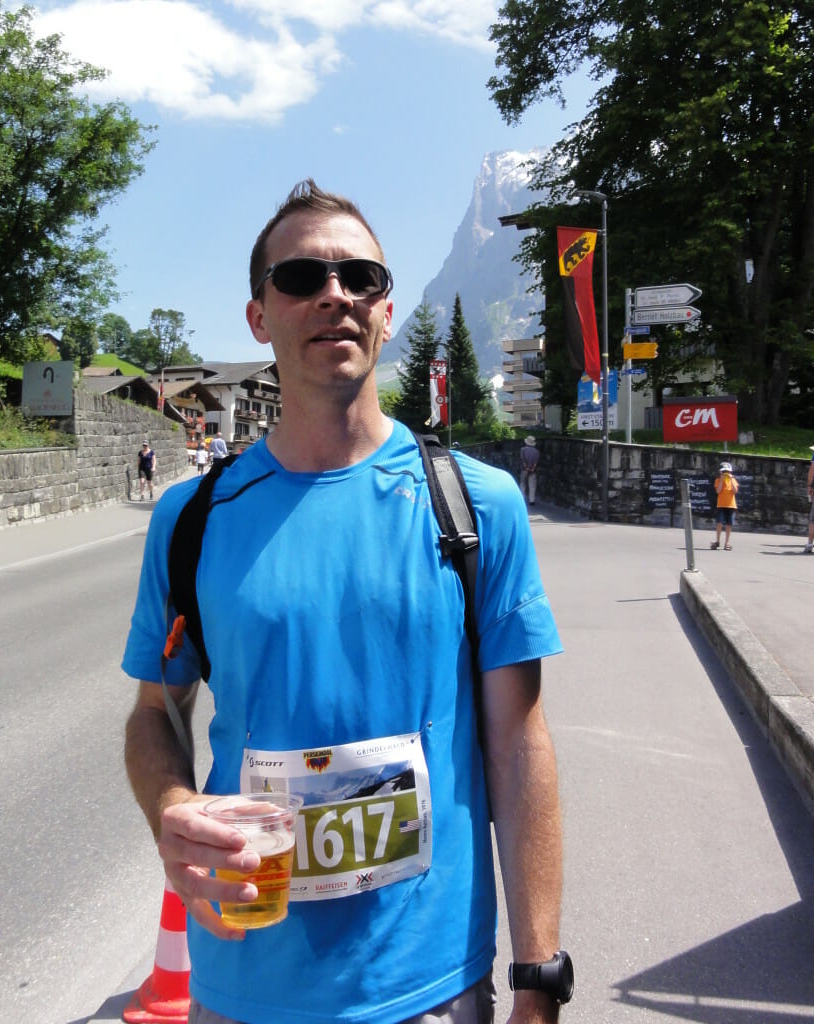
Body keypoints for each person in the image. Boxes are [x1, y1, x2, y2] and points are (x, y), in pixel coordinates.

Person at [122, 180, 567, 1024]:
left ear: (387, 311)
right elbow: (156, 712)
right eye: (300, 277)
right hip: (245, 980)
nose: (334, 294)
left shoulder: (477, 505)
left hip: (434, 984)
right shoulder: (190, 520)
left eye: (359, 276)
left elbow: (518, 743)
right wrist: (172, 807)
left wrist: (539, 975)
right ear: (259, 315)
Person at [710, 461, 739, 550]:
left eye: (728, 472)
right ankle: (717, 541)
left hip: (731, 505)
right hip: (721, 505)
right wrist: (722, 480)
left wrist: (730, 479)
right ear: (720, 472)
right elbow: (718, 491)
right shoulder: (718, 480)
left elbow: (735, 491)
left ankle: (727, 543)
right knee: (719, 523)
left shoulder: (733, 480)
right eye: (724, 472)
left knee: (729, 524)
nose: (726, 474)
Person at [520, 435, 540, 505]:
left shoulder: (523, 449)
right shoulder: (536, 452)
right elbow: (535, 462)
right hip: (533, 471)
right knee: (532, 485)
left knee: (523, 484)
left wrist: (526, 467)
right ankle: (532, 500)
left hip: (524, 470)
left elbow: (522, 460)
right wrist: (532, 469)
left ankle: (522, 498)